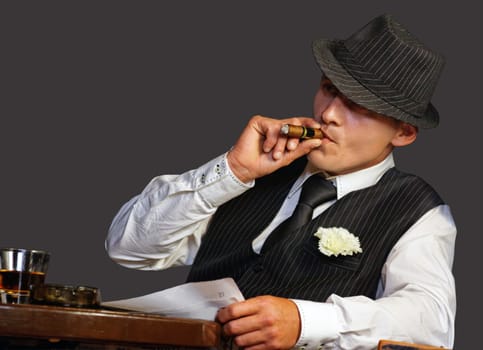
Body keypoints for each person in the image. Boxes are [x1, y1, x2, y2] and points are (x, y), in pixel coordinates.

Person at [106, 14, 456, 350]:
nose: (329, 114)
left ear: (404, 132)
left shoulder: (417, 208)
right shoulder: (259, 168)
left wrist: (306, 322)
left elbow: (431, 322)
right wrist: (233, 171)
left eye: (360, 106)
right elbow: (128, 248)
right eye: (329, 89)